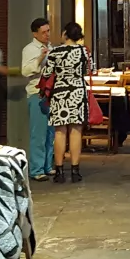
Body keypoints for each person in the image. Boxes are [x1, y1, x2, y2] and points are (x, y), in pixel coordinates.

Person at [40, 22, 90, 183]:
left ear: (65, 34)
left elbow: (46, 73)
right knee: (76, 131)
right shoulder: (84, 51)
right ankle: (75, 171)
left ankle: (59, 171)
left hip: (60, 93)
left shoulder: (55, 52)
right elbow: (85, 70)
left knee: (60, 132)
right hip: (78, 92)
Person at [20, 18, 56, 181]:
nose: (47, 34)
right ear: (35, 34)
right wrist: (40, 58)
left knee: (50, 132)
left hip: (51, 94)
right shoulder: (30, 49)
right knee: (38, 133)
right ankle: (36, 169)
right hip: (37, 93)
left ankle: (48, 165)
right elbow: (25, 71)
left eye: (48, 31)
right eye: (43, 32)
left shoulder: (51, 48)